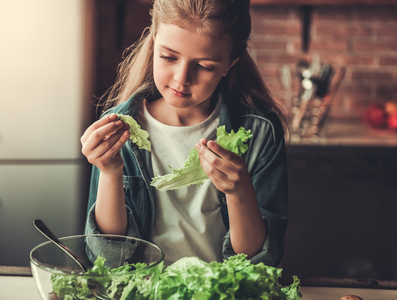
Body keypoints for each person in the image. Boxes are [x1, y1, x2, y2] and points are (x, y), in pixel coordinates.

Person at [81, 0, 289, 266]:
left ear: (229, 64)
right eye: (169, 57)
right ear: (154, 41)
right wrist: (110, 172)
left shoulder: (261, 131)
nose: (181, 78)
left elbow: (259, 264)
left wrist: (240, 192)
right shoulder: (117, 129)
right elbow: (107, 259)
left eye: (203, 66)